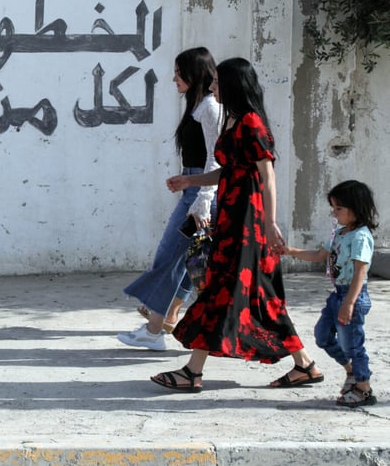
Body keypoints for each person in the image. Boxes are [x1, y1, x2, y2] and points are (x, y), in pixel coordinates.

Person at [149, 57, 322, 391]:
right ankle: (305, 365)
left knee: (222, 290)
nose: (212, 87)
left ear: (232, 84)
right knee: (257, 295)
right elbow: (228, 171)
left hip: (248, 223)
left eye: (217, 82)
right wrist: (190, 182)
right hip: (231, 219)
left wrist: (270, 223)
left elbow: (267, 176)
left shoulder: (252, 123)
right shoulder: (235, 121)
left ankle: (192, 372)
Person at [117, 47, 221, 351]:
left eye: (179, 72)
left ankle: (152, 332)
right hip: (194, 191)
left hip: (200, 197)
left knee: (169, 256)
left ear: (196, 73)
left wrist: (201, 199)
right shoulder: (198, 106)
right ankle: (166, 319)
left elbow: (217, 157)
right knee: (185, 261)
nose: (174, 78)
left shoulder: (210, 108)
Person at [282, 180, 379, 407]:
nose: (334, 213)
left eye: (339, 208)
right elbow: (319, 255)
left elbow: (359, 273)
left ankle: (364, 388)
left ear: (356, 210)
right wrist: (290, 251)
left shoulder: (361, 237)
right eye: (333, 207)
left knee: (353, 345)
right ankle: (352, 372)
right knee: (322, 335)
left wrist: (349, 303)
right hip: (337, 295)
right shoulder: (339, 232)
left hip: (352, 297)